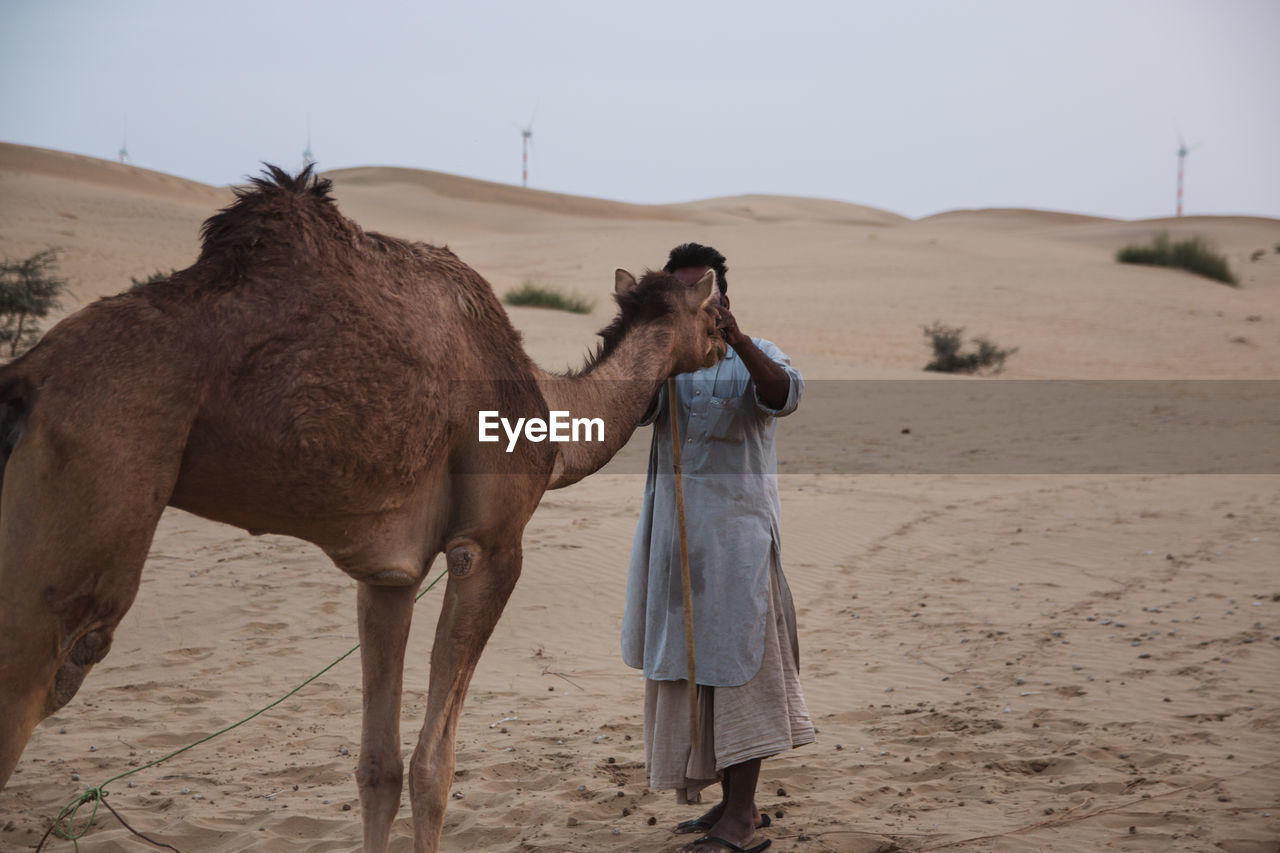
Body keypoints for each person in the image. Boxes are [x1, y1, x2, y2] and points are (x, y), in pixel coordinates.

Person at [622, 243, 814, 853]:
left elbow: (783, 395)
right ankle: (729, 807)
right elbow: (628, 410)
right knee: (694, 672)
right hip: (675, 546)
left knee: (739, 673)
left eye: (696, 291)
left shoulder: (760, 355)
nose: (688, 302)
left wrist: (737, 338)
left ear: (719, 294)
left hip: (739, 543)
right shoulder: (668, 366)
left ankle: (741, 817)